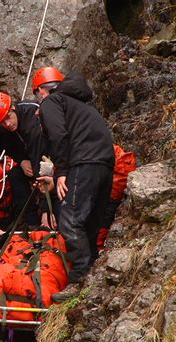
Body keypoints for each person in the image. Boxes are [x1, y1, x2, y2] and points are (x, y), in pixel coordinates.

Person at [33, 67, 115, 302]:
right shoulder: (83, 105)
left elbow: (59, 135)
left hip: (84, 162)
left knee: (69, 221)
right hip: (105, 163)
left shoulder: (51, 103)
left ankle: (79, 282)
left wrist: (62, 172)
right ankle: (89, 278)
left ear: (40, 91)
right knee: (88, 222)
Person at [0, 92, 48, 227]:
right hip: (30, 159)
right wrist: (22, 160)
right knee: (15, 175)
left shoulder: (32, 121)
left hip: (48, 159)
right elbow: (8, 146)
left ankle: (44, 216)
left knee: (40, 175)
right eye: (2, 122)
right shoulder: (4, 126)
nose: (8, 124)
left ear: (12, 108)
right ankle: (31, 221)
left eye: (8, 118)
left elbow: (40, 165)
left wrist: (46, 211)